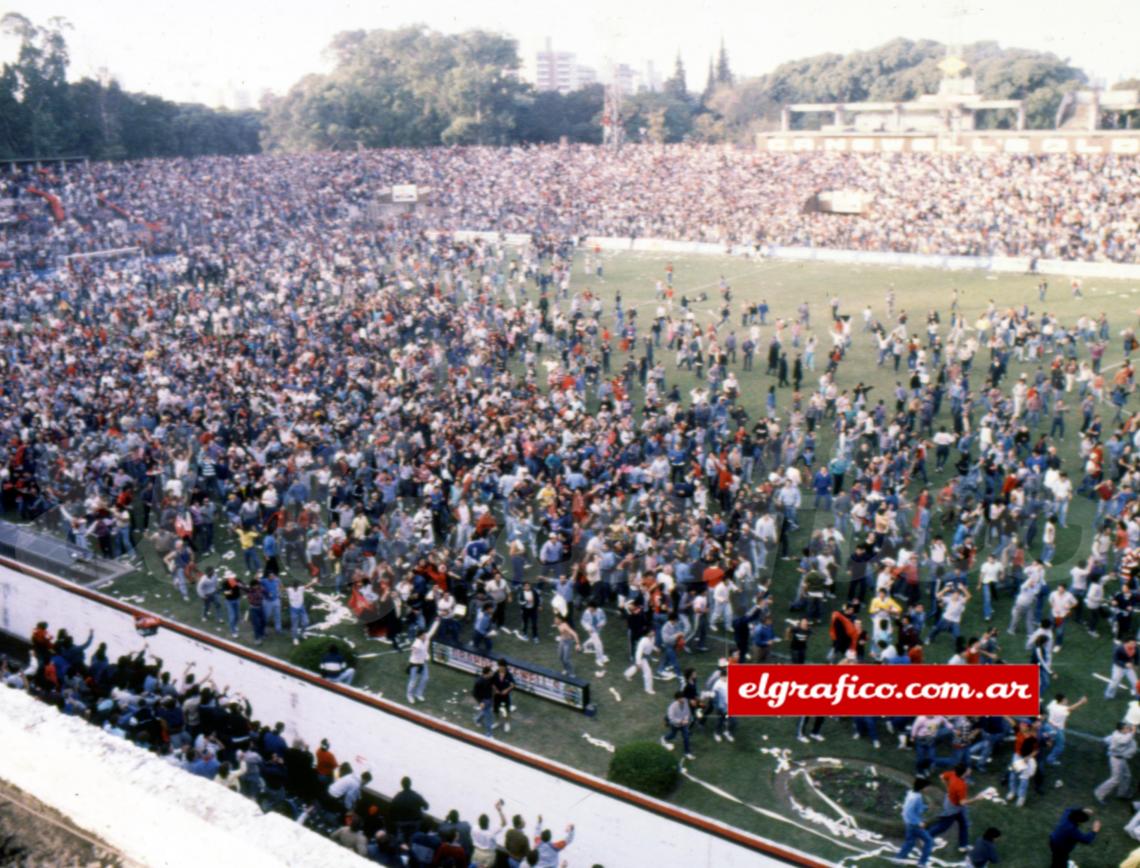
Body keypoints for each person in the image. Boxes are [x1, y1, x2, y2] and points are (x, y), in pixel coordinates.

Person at [925, 763, 974, 853]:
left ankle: (963, 846)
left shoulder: (953, 774)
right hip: (953, 808)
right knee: (943, 826)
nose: (970, 770)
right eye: (968, 769)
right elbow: (963, 802)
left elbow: (941, 776)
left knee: (963, 824)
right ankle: (925, 836)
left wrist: (947, 787)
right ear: (964, 773)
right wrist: (978, 797)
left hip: (952, 803)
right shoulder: (961, 785)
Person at [894, 777, 934, 867]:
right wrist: (919, 822)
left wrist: (926, 807)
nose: (929, 789)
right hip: (914, 824)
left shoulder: (910, 793)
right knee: (929, 841)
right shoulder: (918, 797)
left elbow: (909, 809)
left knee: (910, 842)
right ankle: (922, 863)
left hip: (908, 823)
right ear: (923, 788)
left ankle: (899, 858)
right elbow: (911, 811)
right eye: (928, 787)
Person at [1094, 721, 1137, 804]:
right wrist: (1133, 732)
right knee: (1115, 779)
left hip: (1121, 759)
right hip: (1116, 760)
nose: (1128, 729)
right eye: (1126, 728)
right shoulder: (1119, 737)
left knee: (1127, 775)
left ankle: (1122, 793)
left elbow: (1105, 741)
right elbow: (1125, 741)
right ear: (1121, 730)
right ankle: (1099, 793)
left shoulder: (1120, 734)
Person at [406, 619, 441, 704]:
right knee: (413, 680)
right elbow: (414, 653)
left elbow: (432, 631)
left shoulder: (426, 638)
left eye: (425, 634)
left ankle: (418, 694)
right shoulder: (416, 644)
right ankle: (409, 695)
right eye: (424, 635)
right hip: (415, 664)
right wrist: (414, 649)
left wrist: (437, 622)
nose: (426, 635)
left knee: (425, 678)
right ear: (420, 636)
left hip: (423, 662)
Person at [389, 776, 430, 843]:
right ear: (410, 784)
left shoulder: (398, 796)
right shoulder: (416, 795)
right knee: (412, 841)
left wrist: (395, 821)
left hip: (401, 824)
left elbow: (391, 811)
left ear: (402, 785)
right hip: (414, 824)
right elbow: (426, 807)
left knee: (400, 842)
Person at [660, 690, 695, 760]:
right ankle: (664, 738)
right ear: (677, 699)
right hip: (675, 725)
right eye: (681, 698)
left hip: (684, 725)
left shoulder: (685, 701)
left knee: (686, 737)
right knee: (673, 735)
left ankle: (687, 753)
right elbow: (671, 719)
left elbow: (687, 711)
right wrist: (681, 721)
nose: (683, 699)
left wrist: (686, 718)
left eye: (683, 697)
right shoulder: (672, 707)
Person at [491, 658, 516, 733]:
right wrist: (495, 689)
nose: (500, 668)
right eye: (499, 666)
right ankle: (497, 722)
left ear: (505, 667)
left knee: (506, 711)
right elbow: (492, 683)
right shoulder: (496, 673)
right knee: (495, 710)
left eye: (501, 666)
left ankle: (507, 723)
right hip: (497, 695)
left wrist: (506, 690)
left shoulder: (509, 675)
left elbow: (513, 685)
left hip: (505, 696)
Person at [473, 665, 495, 737]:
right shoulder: (479, 682)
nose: (492, 673)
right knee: (488, 716)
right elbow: (475, 694)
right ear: (487, 673)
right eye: (491, 672)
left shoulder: (490, 678)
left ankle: (477, 720)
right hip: (484, 701)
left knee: (485, 713)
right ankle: (489, 734)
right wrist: (481, 702)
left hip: (490, 699)